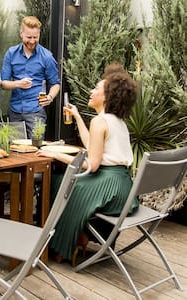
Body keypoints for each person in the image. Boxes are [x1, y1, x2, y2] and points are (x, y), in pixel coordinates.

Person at [37, 68, 139, 266]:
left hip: (107, 187)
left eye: (97, 88)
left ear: (108, 96)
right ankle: (78, 237)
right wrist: (76, 116)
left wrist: (55, 154)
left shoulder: (100, 121)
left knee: (57, 181)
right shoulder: (117, 121)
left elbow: (91, 165)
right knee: (65, 181)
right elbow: (92, 147)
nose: (91, 91)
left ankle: (58, 244)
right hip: (124, 189)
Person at [1, 16, 60, 138]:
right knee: (15, 150)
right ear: (21, 34)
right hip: (15, 111)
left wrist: (50, 97)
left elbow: (55, 84)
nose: (32, 41)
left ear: (39, 34)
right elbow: (4, 83)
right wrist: (18, 84)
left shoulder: (47, 57)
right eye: (29, 37)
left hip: (36, 112)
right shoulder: (11, 53)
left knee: (36, 149)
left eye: (35, 37)